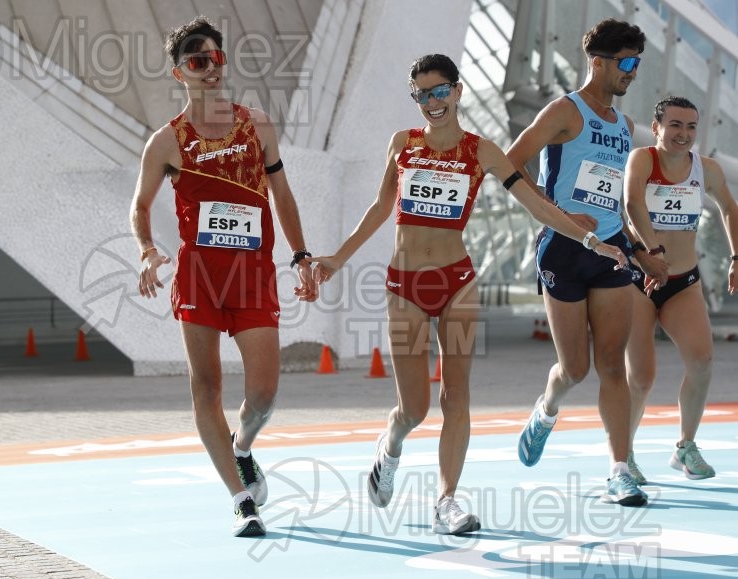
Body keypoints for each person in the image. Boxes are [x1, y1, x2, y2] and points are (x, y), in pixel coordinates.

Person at [312, 53, 626, 535]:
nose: (433, 102)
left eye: (441, 91)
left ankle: (447, 501)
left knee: (456, 397)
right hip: (405, 286)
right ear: (414, 98)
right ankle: (391, 445)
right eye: (423, 94)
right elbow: (380, 209)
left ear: (457, 91)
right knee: (414, 408)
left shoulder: (481, 151)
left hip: (456, 283)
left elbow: (535, 206)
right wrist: (336, 258)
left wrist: (591, 240)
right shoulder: (403, 143)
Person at [129, 16, 317, 537]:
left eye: (214, 58)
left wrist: (301, 257)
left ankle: (243, 447)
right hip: (199, 278)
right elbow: (140, 206)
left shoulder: (256, 124)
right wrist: (147, 250)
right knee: (205, 386)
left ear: (224, 62)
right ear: (178, 73)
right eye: (196, 61)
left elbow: (281, 194)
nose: (208, 69)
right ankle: (240, 500)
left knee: (264, 394)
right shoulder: (166, 142)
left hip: (253, 275)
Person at [505, 18, 654, 506]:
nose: (632, 72)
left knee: (613, 363)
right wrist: (554, 214)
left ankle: (618, 469)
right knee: (575, 367)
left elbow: (614, 198)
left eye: (637, 63)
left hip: (610, 251)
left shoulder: (625, 127)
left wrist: (636, 244)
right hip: (564, 250)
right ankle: (546, 411)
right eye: (626, 63)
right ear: (599, 61)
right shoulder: (565, 111)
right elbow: (509, 162)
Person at [623, 96, 738, 484]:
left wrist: (737, 257)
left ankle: (685, 446)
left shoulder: (706, 170)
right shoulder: (642, 160)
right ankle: (623, 455)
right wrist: (651, 251)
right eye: (674, 125)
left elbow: (730, 208)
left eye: (690, 127)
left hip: (683, 281)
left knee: (703, 361)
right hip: (640, 281)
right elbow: (632, 202)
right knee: (640, 378)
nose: (683, 134)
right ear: (656, 128)